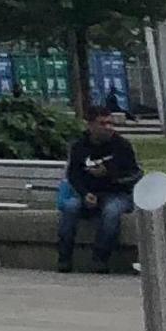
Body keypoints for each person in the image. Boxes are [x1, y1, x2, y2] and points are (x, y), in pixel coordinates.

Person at [57, 108, 144, 273]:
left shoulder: (122, 145)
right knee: (70, 208)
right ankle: (64, 258)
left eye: (110, 123)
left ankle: (100, 259)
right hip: (88, 194)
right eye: (102, 123)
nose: (108, 127)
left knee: (112, 212)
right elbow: (73, 175)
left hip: (117, 193)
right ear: (90, 125)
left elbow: (134, 174)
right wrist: (84, 194)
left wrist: (110, 174)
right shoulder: (79, 147)